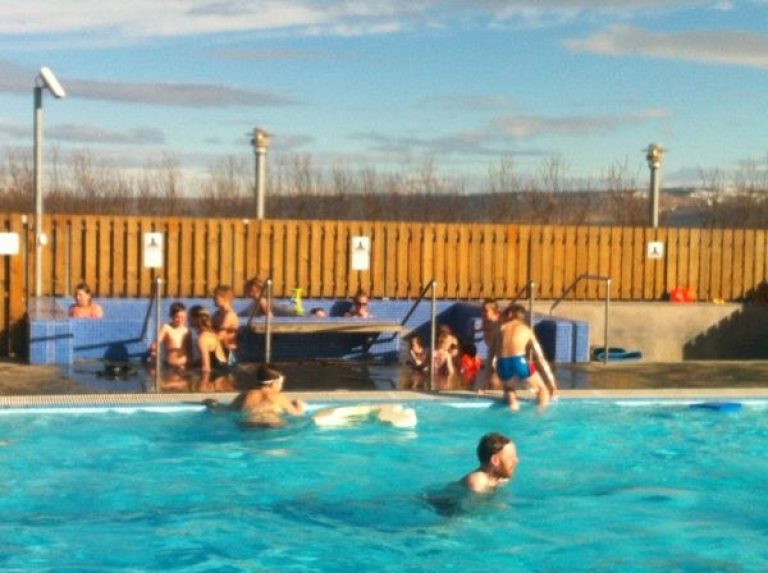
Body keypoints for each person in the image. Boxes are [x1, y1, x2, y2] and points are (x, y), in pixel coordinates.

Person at [494, 303, 558, 411]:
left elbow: (492, 353)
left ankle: (513, 407)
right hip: (518, 361)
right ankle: (540, 414)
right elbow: (541, 358)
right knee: (542, 390)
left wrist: (485, 380)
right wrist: (552, 383)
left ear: (510, 314)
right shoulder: (527, 330)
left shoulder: (501, 328)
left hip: (502, 363)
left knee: (509, 389)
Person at [227, 364, 307, 428]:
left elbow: (229, 410)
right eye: (281, 383)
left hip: (249, 423)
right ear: (275, 383)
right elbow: (297, 414)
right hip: (273, 423)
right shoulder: (278, 397)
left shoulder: (244, 395)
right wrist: (299, 404)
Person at [149, 301, 192, 370]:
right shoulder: (166, 328)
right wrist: (154, 357)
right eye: (177, 317)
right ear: (171, 316)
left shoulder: (187, 331)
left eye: (183, 317)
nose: (180, 320)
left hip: (185, 367)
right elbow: (154, 345)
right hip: (171, 367)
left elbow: (190, 350)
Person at [189, 305, 228, 373]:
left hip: (218, 374)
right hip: (224, 370)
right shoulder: (211, 333)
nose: (188, 320)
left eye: (189, 317)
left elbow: (206, 368)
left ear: (196, 319)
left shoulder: (202, 339)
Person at [477, 299, 502, 392]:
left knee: (495, 380)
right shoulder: (485, 322)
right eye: (482, 311)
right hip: (491, 352)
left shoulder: (499, 325)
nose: (483, 313)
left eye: (486, 311)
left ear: (495, 312)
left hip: (500, 354)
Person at [212, 285, 239, 361]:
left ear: (225, 298)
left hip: (229, 351)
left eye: (216, 298)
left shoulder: (230, 315)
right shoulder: (216, 314)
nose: (213, 299)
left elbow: (221, 335)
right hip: (218, 349)